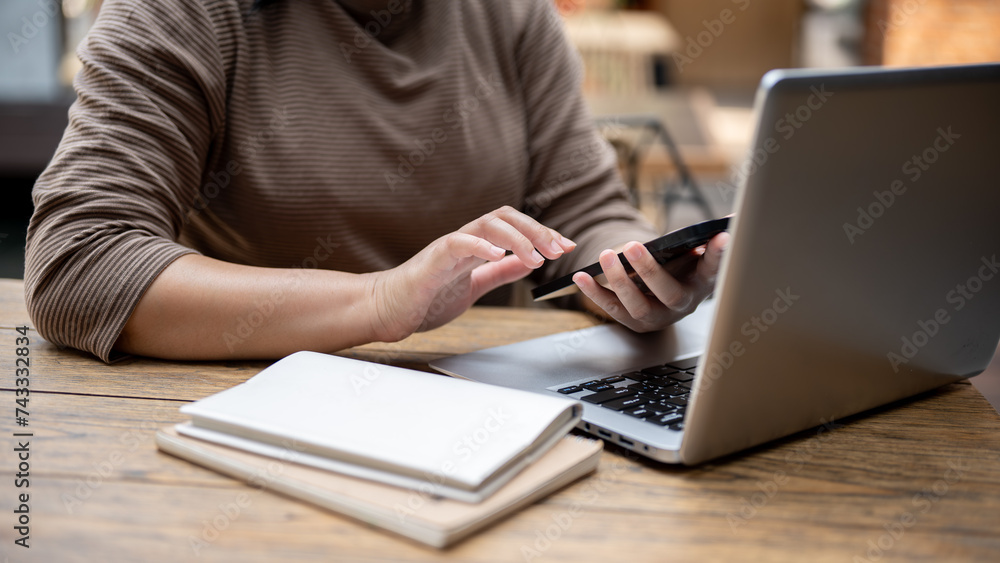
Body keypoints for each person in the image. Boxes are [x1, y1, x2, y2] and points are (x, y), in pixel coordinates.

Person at [24, 0, 728, 362]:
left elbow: (589, 212)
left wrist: (642, 267)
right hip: (246, 408)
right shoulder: (185, 13)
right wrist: (383, 301)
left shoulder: (510, 13)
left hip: (485, 417)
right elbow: (80, 264)